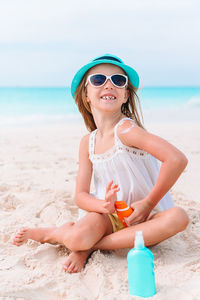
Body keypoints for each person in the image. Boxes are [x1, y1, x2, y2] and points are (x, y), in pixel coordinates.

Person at [13, 54, 189, 273]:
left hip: (145, 217)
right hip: (108, 218)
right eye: (98, 80)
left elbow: (177, 159)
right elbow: (80, 196)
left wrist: (148, 203)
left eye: (118, 80)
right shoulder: (88, 142)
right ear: (86, 95)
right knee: (77, 237)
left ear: (125, 95)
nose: (109, 85)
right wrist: (103, 207)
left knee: (178, 217)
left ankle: (90, 247)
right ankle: (52, 233)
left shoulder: (126, 131)